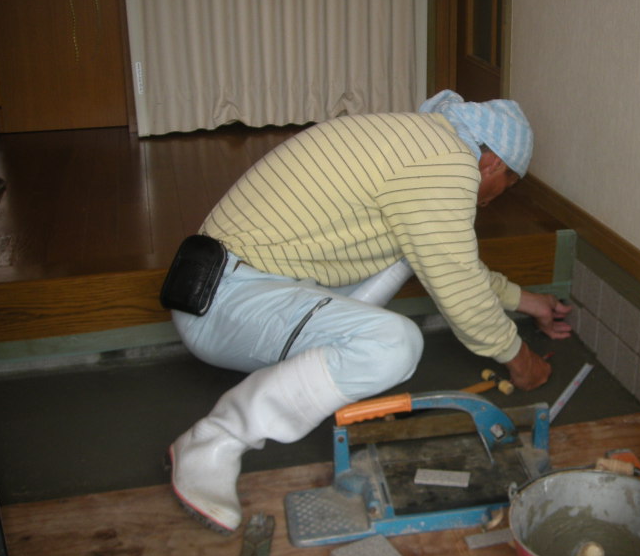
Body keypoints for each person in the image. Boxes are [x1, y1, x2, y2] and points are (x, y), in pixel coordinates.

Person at [167, 90, 572, 533]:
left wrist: (528, 301)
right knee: (393, 346)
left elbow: (452, 263)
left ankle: (287, 384)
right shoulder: (449, 164)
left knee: (410, 254)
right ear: (492, 163)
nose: (491, 200)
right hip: (225, 302)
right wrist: (520, 359)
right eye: (504, 188)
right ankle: (212, 442)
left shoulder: (426, 145)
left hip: (236, 282)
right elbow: (460, 287)